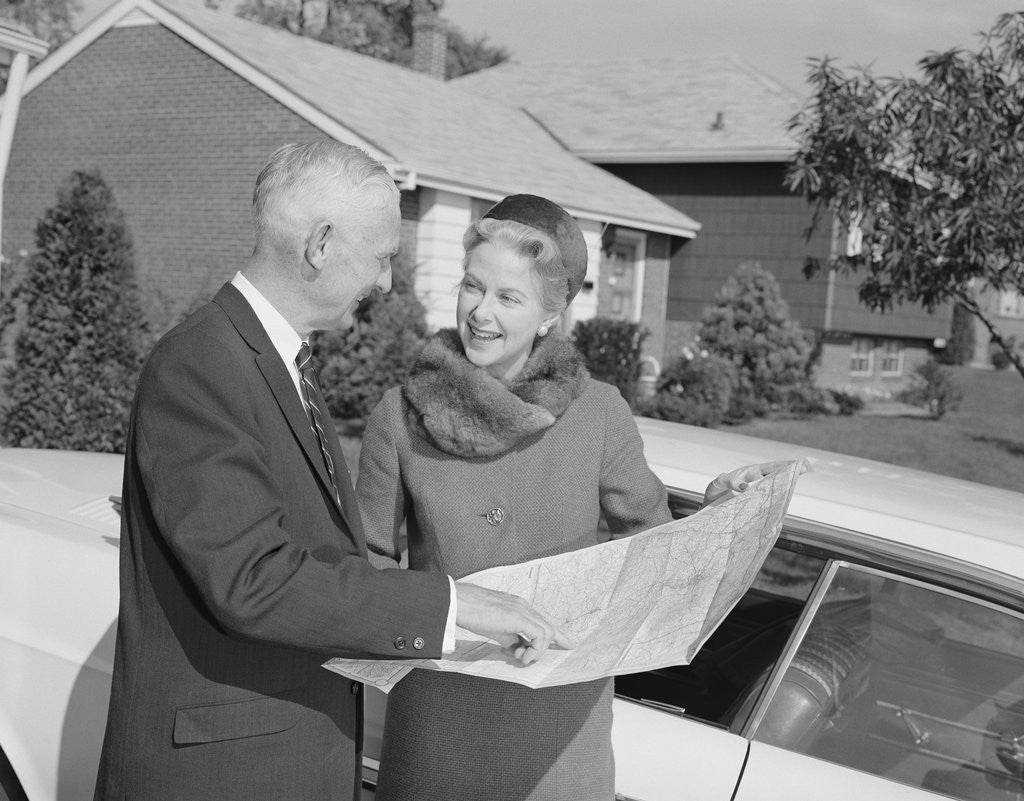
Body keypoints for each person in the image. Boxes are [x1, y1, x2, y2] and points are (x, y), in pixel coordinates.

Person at [93, 143, 570, 801]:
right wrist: (457, 604)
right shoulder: (201, 365)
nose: (385, 284)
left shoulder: (280, 368)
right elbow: (254, 580)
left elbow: (323, 560)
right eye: (381, 258)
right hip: (225, 777)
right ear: (320, 245)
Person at [357, 194, 770, 800]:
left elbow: (650, 555)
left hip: (559, 734)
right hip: (439, 732)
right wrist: (435, 613)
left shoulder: (597, 411)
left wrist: (716, 514)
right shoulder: (399, 414)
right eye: (473, 286)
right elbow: (361, 567)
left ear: (550, 316)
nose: (480, 312)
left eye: (508, 297)